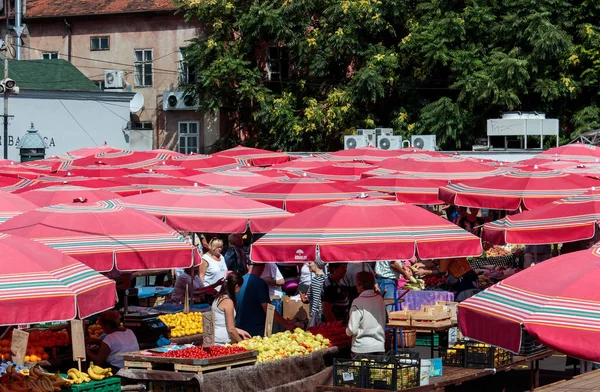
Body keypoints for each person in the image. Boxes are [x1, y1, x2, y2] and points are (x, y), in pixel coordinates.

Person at [235, 263, 296, 337]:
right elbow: (267, 308)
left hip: (239, 328)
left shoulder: (240, 280)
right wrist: (287, 324)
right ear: (263, 268)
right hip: (255, 330)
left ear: (247, 266)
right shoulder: (259, 283)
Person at [346, 271, 386, 356]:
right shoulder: (380, 300)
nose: (356, 286)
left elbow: (352, 329)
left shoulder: (357, 302)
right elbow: (384, 320)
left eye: (356, 284)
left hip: (361, 348)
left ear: (360, 285)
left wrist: (347, 331)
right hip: (379, 346)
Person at [212, 271, 251, 345]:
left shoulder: (218, 298)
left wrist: (240, 331)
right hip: (222, 341)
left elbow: (222, 323)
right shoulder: (228, 302)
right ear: (236, 287)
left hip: (215, 337)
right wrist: (242, 343)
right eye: (240, 287)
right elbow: (231, 329)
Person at [300, 260, 326, 324]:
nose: (308, 265)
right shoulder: (325, 278)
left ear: (316, 264)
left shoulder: (316, 280)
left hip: (318, 315)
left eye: (310, 263)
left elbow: (316, 301)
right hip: (322, 313)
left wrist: (312, 316)